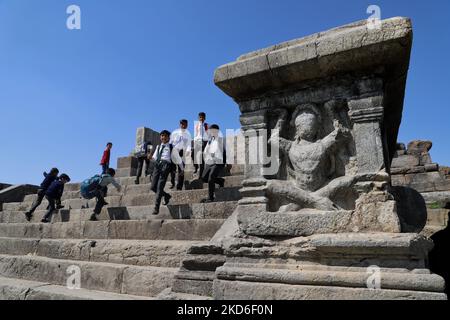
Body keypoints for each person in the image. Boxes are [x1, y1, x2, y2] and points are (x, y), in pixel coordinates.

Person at [151, 130, 182, 215]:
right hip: (157, 165)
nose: (163, 137)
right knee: (153, 187)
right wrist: (151, 158)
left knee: (160, 186)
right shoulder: (158, 147)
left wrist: (181, 170)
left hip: (166, 166)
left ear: (168, 137)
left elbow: (178, 159)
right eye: (162, 136)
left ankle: (156, 208)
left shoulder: (172, 147)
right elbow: (154, 158)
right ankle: (166, 195)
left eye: (165, 136)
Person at [201, 124, 226, 203]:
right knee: (204, 178)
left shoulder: (221, 139)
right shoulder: (209, 141)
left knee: (211, 178)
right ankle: (220, 181)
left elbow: (226, 150)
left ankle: (210, 197)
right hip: (209, 162)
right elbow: (206, 151)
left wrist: (228, 162)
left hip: (218, 161)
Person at [169, 119, 192, 190]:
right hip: (174, 151)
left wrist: (187, 152)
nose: (183, 125)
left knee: (181, 170)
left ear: (187, 125)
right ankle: (172, 182)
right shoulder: (175, 132)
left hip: (183, 152)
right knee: (172, 169)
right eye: (182, 124)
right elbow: (170, 142)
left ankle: (179, 187)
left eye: (184, 124)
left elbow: (189, 145)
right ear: (180, 124)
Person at [192, 112, 209, 178]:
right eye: (200, 117)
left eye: (202, 117)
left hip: (204, 142)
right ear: (198, 118)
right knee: (193, 154)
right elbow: (195, 134)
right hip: (198, 141)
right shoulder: (196, 125)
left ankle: (201, 175)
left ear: (204, 118)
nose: (201, 118)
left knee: (202, 158)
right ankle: (196, 167)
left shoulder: (206, 125)